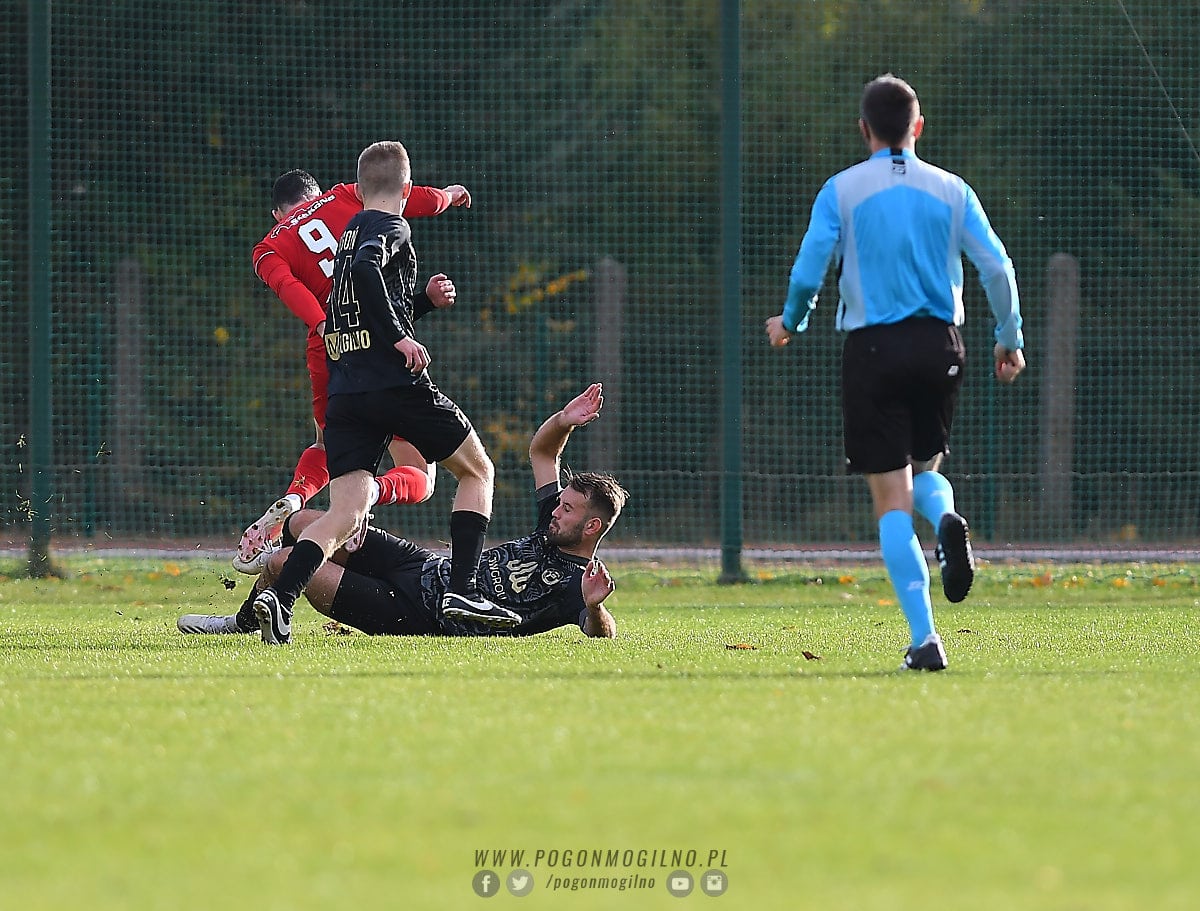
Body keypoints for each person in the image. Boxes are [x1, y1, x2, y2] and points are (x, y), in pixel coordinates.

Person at [765, 73, 1025, 672]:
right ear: (918, 127)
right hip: (940, 345)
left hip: (874, 349)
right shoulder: (953, 190)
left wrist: (792, 321)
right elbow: (998, 267)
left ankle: (925, 639)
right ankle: (946, 517)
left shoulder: (843, 189)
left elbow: (809, 269)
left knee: (889, 500)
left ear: (864, 129)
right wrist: (1008, 338)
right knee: (925, 471)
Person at [246, 139, 513, 645]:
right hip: (390, 378)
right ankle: (462, 591)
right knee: (477, 471)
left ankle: (279, 598)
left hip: (341, 378)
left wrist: (415, 305)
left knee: (343, 512)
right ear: (404, 188)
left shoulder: (303, 242)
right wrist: (447, 197)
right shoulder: (379, 223)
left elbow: (312, 295)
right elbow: (374, 273)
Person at [178, 384, 627, 640]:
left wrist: (595, 607)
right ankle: (247, 615)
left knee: (284, 562)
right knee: (303, 522)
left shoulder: (578, 583)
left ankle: (250, 617)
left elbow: (600, 632)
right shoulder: (552, 525)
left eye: (567, 509)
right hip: (424, 566)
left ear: (591, 526)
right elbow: (542, 452)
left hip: (417, 613)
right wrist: (564, 420)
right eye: (560, 503)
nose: (555, 511)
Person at [236, 169, 474, 572]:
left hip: (328, 346)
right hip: (381, 343)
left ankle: (296, 497)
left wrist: (322, 323)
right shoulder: (344, 195)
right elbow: (406, 197)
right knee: (421, 475)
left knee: (326, 445)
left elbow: (288, 287)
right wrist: (448, 197)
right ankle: (372, 494)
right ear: (315, 194)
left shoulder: (269, 246)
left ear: (277, 213)